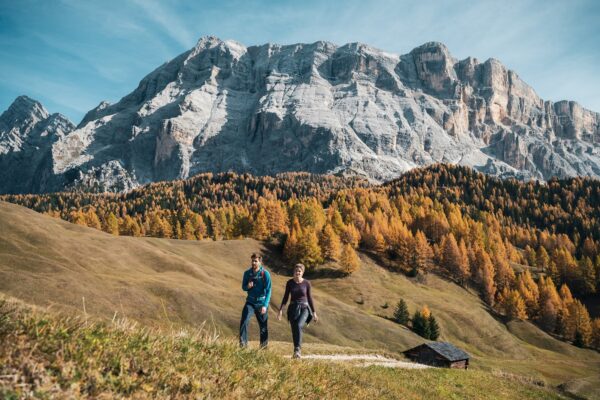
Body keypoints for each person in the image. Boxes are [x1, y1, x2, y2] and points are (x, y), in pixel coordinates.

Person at [277, 263, 318, 359]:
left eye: (299, 271)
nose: (297, 273)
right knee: (294, 329)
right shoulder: (290, 283)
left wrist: (314, 312)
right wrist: (280, 310)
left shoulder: (307, 283)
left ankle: (298, 350)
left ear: (302, 272)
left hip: (304, 308)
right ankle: (296, 352)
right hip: (293, 308)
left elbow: (310, 298)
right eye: (296, 271)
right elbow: (286, 297)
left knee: (299, 325)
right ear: (293, 272)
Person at [239, 253, 272, 349]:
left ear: (260, 262)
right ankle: (243, 346)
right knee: (244, 321)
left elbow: (269, 290)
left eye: (255, 261)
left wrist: (265, 305)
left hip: (261, 303)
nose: (253, 263)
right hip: (250, 302)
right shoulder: (247, 273)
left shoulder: (265, 274)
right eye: (252, 261)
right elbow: (243, 287)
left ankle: (263, 348)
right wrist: (247, 287)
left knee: (263, 327)